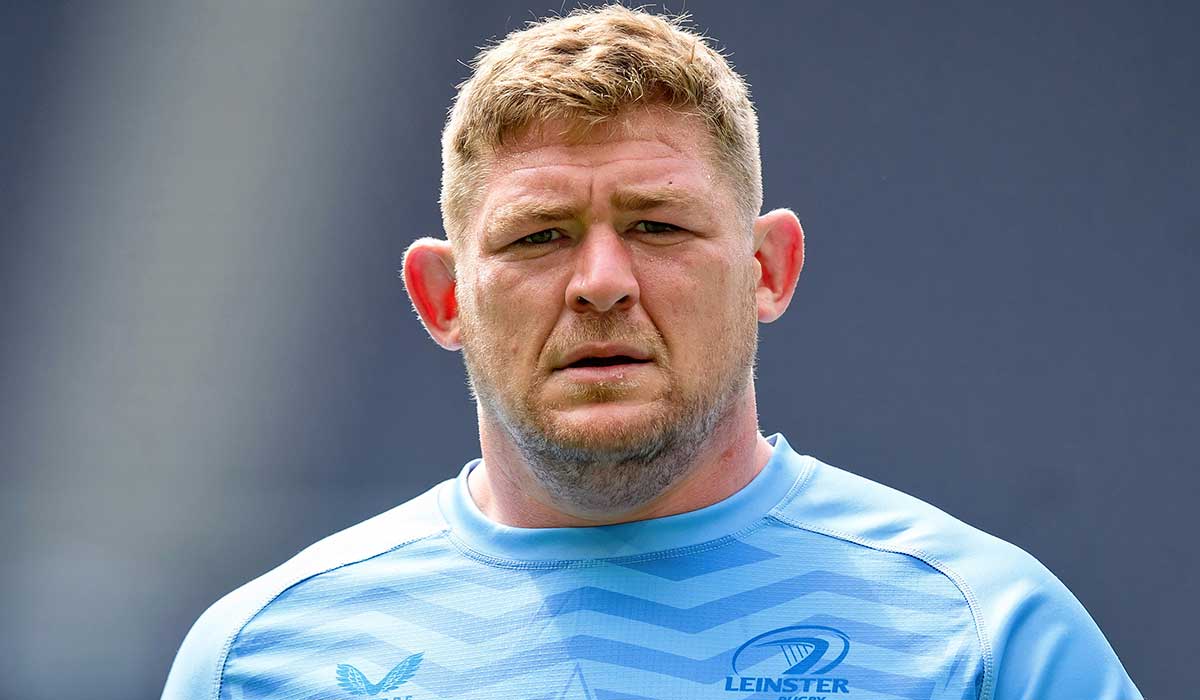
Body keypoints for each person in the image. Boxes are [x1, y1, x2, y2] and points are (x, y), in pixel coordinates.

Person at [162, 6, 1141, 699]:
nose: (601, 280)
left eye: (658, 226)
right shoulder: (259, 659)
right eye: (538, 235)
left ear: (768, 266)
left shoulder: (984, 637)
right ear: (444, 293)